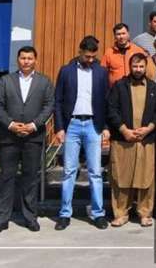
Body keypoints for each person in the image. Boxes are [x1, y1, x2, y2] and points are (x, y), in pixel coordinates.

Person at [0, 46, 55, 233]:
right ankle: (1, 219)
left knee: (30, 179)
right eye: (23, 58)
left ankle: (30, 218)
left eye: (30, 58)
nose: (26, 61)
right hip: (9, 137)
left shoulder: (44, 81)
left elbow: (49, 105)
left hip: (33, 137)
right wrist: (11, 124)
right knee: (6, 178)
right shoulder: (6, 80)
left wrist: (34, 125)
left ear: (35, 60)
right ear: (18, 60)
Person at [53, 36, 111, 230]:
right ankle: (64, 214)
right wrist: (59, 128)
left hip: (94, 125)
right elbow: (58, 101)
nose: (90, 60)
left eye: (93, 57)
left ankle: (98, 213)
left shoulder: (101, 72)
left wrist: (106, 127)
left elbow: (106, 101)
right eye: (87, 56)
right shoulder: (66, 71)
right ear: (80, 51)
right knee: (69, 171)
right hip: (72, 125)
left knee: (95, 172)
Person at [107, 54, 156, 227]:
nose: (138, 69)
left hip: (146, 140)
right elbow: (111, 110)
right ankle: (121, 214)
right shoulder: (119, 86)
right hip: (123, 139)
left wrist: (149, 129)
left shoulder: (153, 87)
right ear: (130, 67)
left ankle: (145, 213)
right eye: (135, 66)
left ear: (146, 67)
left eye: (141, 66)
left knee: (146, 178)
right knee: (121, 178)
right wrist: (124, 130)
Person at [101, 23, 148, 88]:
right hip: (115, 90)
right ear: (115, 36)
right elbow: (102, 73)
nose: (121, 37)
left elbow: (146, 69)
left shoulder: (138, 50)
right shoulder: (109, 52)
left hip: (134, 88)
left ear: (128, 34)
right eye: (118, 34)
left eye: (123, 33)